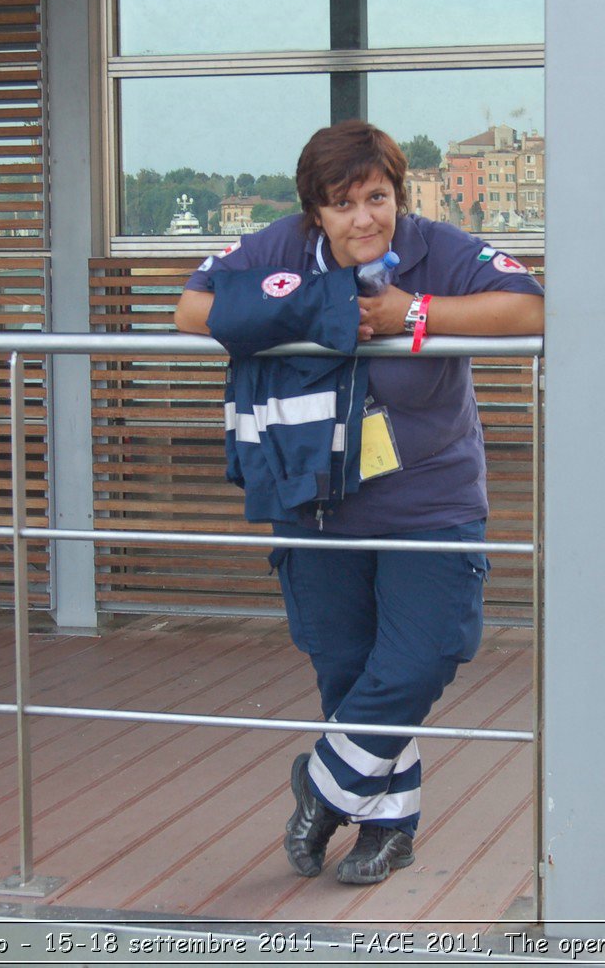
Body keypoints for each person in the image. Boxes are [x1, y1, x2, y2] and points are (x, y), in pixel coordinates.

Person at [174, 120, 544, 885]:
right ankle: (389, 827)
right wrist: (317, 310)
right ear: (316, 212)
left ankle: (321, 785)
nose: (365, 217)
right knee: (347, 669)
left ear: (399, 197)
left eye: (378, 197)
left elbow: (528, 308)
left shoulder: (437, 246)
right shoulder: (278, 247)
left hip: (430, 498)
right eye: (343, 204)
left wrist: (412, 313)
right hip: (314, 497)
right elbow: (191, 308)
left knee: (424, 654)